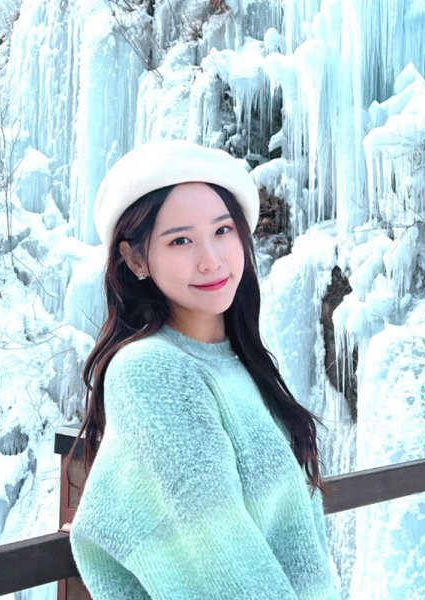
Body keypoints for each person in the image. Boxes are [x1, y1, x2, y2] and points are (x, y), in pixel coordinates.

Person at [67, 139, 340, 599]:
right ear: (136, 259)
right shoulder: (150, 371)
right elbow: (219, 558)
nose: (211, 259)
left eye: (222, 230)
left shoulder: (239, 363)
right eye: (181, 240)